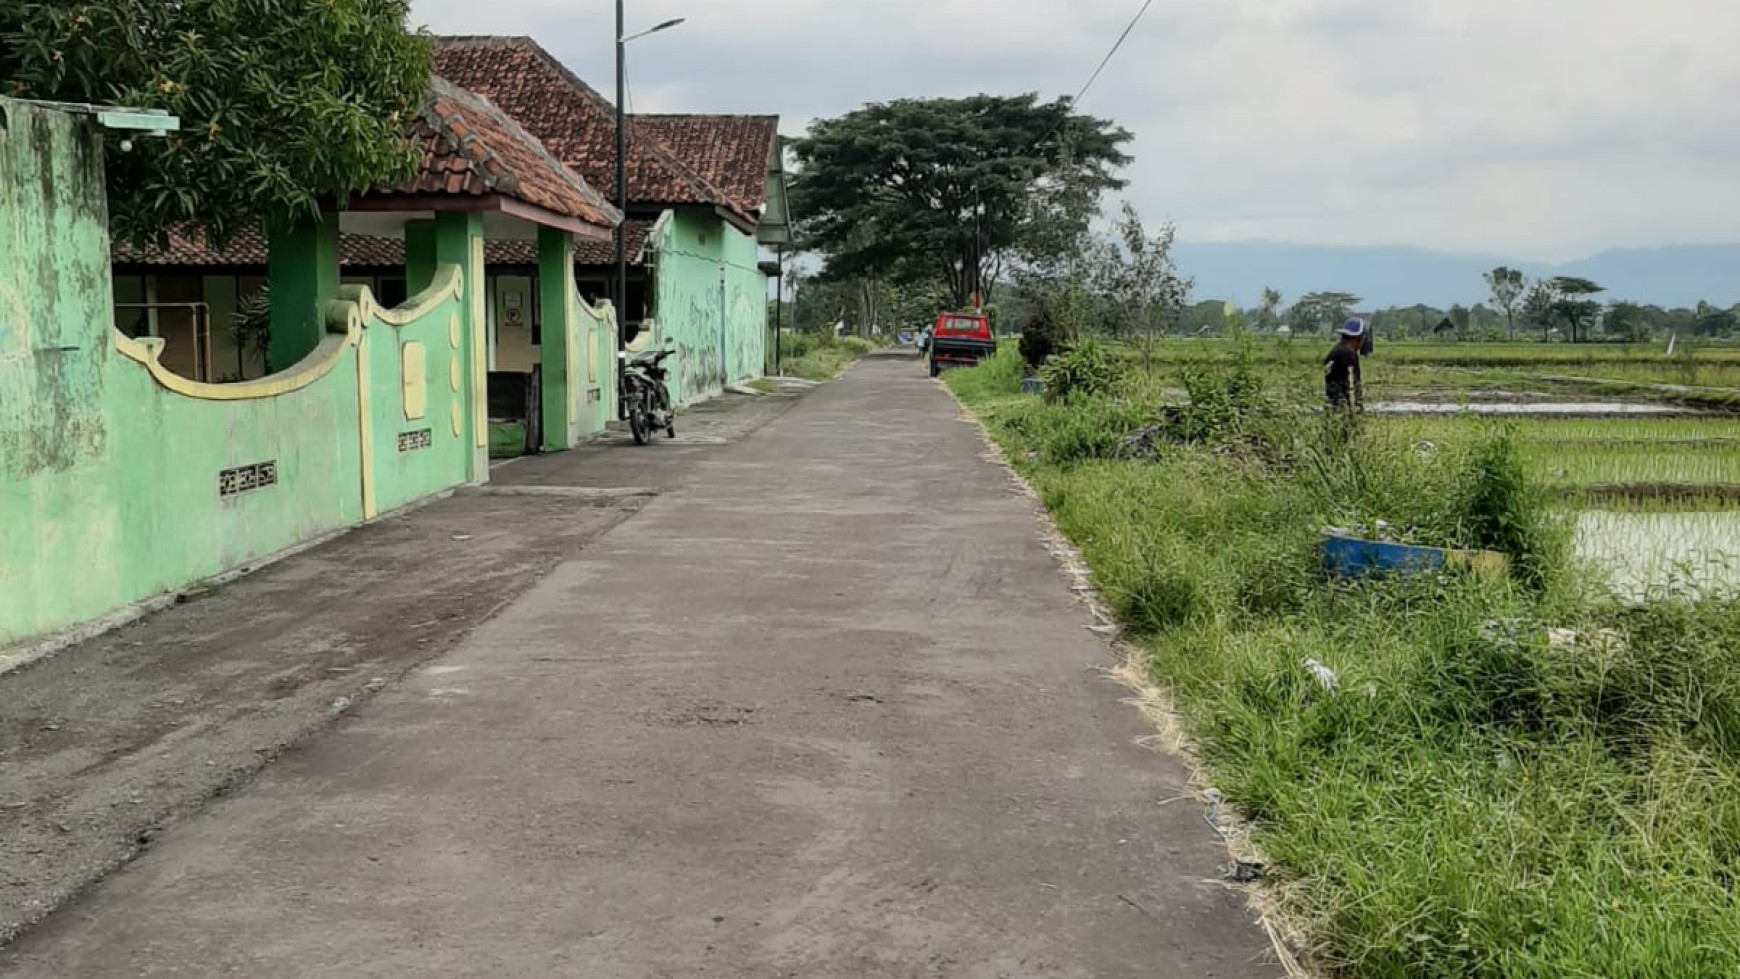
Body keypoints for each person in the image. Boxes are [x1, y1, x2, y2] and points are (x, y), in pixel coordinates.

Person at [1324, 319, 1365, 410]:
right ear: (1359, 338)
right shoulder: (1349, 353)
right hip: (1343, 404)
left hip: (1332, 401)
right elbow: (1354, 383)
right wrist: (1358, 406)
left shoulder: (1336, 349)